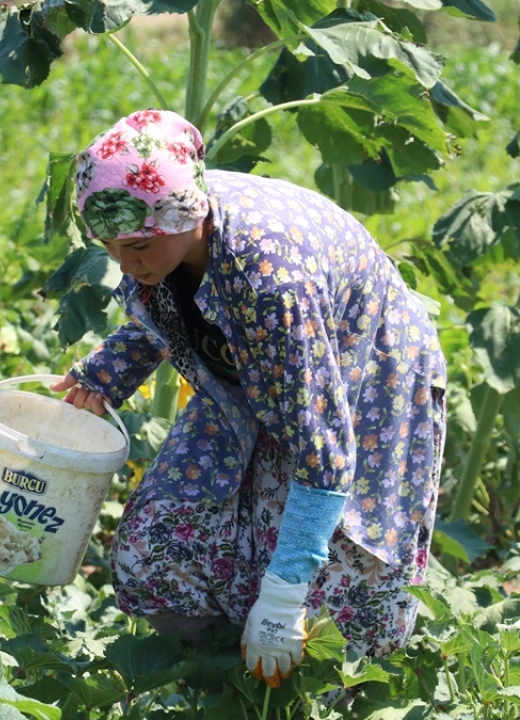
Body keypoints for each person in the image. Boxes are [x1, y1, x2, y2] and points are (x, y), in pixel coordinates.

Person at [50, 109, 447, 687]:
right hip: (247, 375)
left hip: (361, 377)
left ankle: (312, 690)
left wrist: (284, 597)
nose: (124, 262)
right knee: (155, 547)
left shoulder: (271, 282)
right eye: (109, 246)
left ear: (186, 215)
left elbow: (324, 453)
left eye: (134, 246)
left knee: (333, 593)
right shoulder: (162, 232)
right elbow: (163, 306)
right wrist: (104, 374)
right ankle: (216, 679)